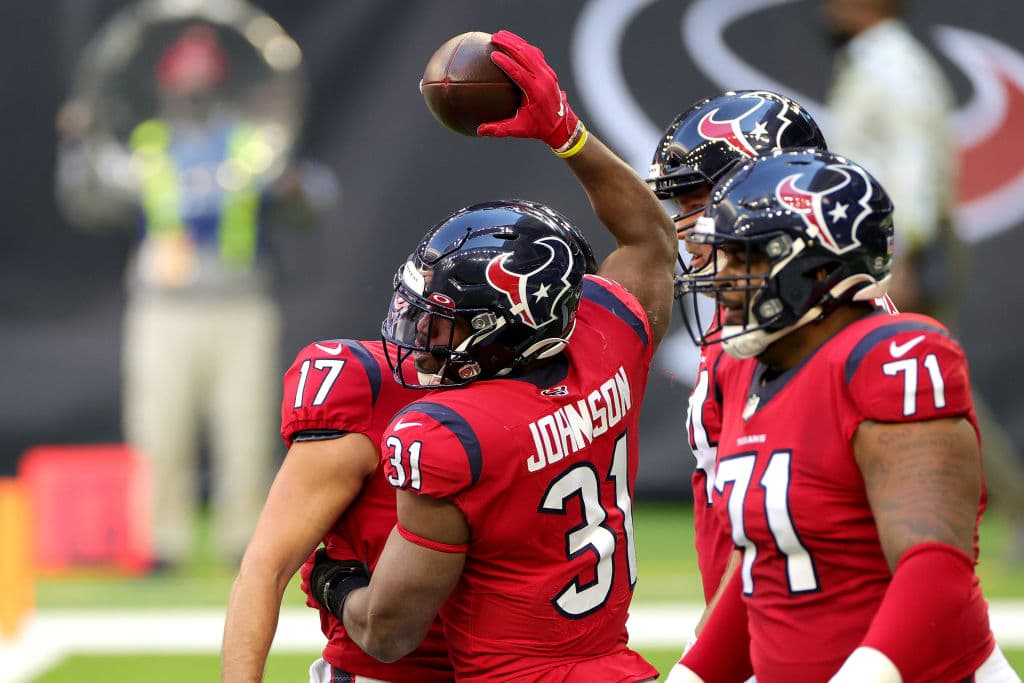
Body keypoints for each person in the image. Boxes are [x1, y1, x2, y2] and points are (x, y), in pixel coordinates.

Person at [307, 29, 678, 682]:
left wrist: (333, 578)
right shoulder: (611, 337)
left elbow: (388, 632)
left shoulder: (448, 437)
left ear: (505, 332)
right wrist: (567, 133)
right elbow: (650, 236)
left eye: (444, 325)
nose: (421, 339)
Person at [669, 148, 1017, 682]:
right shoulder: (743, 369)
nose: (722, 278)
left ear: (821, 267)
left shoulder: (890, 358)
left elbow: (937, 572)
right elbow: (769, 568)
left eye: (746, 259)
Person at [55, 22, 329, 571]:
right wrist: (75, 145)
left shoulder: (253, 145)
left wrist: (296, 185)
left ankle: (245, 542)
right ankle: (161, 544)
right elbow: (87, 204)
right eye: (184, 78)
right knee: (158, 428)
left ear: (222, 82)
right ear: (164, 85)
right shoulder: (147, 147)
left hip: (240, 304)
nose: (193, 87)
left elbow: (317, 199)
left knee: (246, 429)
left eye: (203, 77)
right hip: (163, 308)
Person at [821, 0, 1024, 559]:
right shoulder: (874, 60)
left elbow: (912, 167)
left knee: (927, 374)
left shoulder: (894, 66)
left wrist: (902, 257)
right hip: (884, 241)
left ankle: (1009, 506)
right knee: (908, 372)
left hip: (897, 243)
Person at [646, 90, 829, 611]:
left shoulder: (805, 332)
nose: (686, 234)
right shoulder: (752, 318)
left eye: (698, 205)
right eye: (680, 208)